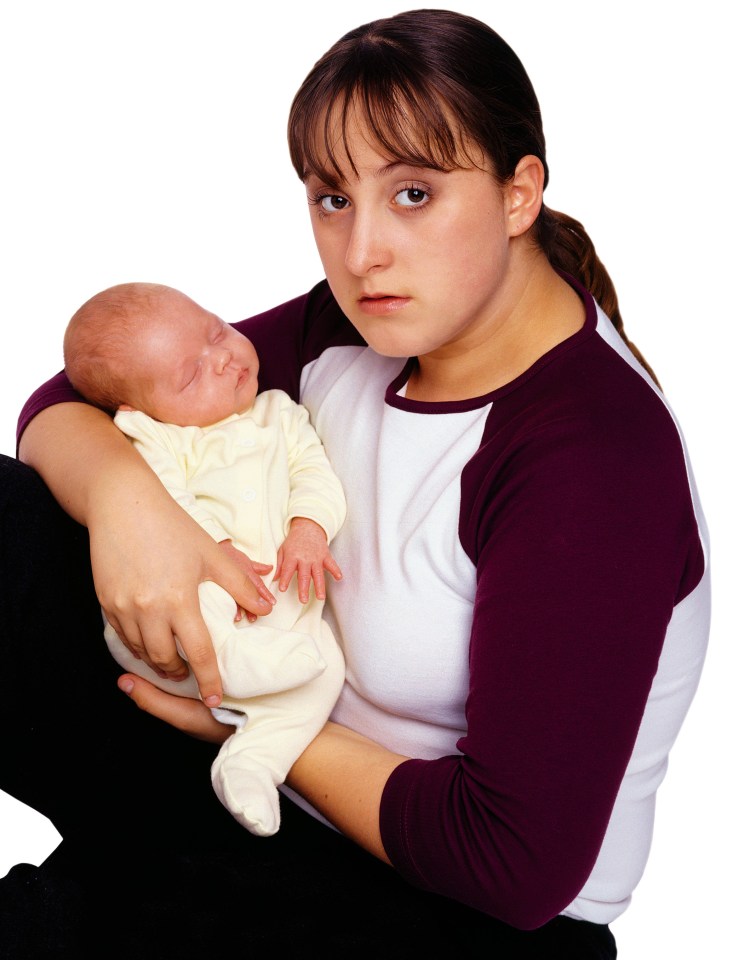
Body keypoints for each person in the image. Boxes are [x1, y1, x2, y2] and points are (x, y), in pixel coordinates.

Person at [1, 9, 710, 957]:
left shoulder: (591, 455)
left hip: (445, 906)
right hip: (256, 752)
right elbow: (79, 392)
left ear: (519, 192)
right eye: (333, 198)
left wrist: (244, 732)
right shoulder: (367, 323)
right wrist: (129, 507)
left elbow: (515, 863)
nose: (362, 251)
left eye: (413, 193)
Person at [62, 280, 346, 838]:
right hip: (187, 609)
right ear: (138, 408)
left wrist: (309, 529)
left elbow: (315, 473)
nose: (223, 360)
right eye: (191, 375)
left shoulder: (279, 414)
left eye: (218, 331)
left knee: (326, 667)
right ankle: (239, 669)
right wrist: (207, 546)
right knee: (188, 608)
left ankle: (252, 765)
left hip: (282, 609)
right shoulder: (155, 437)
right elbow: (162, 499)